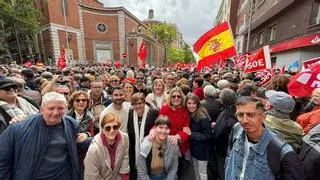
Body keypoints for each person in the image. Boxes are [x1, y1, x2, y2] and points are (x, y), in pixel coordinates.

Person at [0, 92, 80, 180]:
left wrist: (87, 136)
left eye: (60, 108)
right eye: (51, 108)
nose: (56, 112)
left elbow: (76, 145)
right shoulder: (18, 128)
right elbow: (3, 161)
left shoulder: (71, 124)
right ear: (41, 109)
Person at [225, 96, 306, 180]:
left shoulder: (282, 150)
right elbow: (230, 154)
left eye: (251, 115)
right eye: (240, 115)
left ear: (263, 117)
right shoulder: (237, 129)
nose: (245, 120)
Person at [84, 112, 130, 180]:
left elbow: (125, 158)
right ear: (103, 130)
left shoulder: (124, 138)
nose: (112, 131)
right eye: (108, 128)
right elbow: (91, 176)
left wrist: (124, 177)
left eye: (115, 127)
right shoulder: (94, 150)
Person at [159, 87, 190, 180]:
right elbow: (159, 125)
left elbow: (186, 129)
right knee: (165, 169)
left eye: (178, 96)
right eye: (173, 96)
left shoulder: (185, 111)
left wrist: (178, 136)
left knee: (178, 170)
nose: (176, 98)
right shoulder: (164, 109)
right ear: (170, 98)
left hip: (180, 145)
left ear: (182, 98)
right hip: (165, 143)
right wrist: (168, 138)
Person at [127, 92, 159, 179]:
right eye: (134, 104)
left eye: (139, 103)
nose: (137, 106)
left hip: (150, 149)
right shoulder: (131, 112)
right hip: (135, 150)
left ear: (144, 102)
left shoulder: (153, 112)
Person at [137, 115, 179, 180]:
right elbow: (142, 173)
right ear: (155, 128)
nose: (163, 131)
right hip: (148, 176)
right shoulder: (145, 145)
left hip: (166, 175)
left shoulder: (173, 143)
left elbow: (173, 169)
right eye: (161, 127)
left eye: (167, 128)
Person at [212, 88, 238, 180]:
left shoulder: (226, 115)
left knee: (223, 170)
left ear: (222, 101)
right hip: (230, 147)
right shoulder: (236, 109)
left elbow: (217, 134)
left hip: (223, 149)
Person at [185, 93, 212, 180]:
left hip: (202, 151)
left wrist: (191, 134)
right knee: (196, 171)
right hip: (194, 149)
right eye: (189, 103)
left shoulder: (203, 117)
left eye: (194, 103)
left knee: (202, 172)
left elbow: (208, 136)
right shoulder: (191, 115)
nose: (191, 106)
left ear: (198, 104)